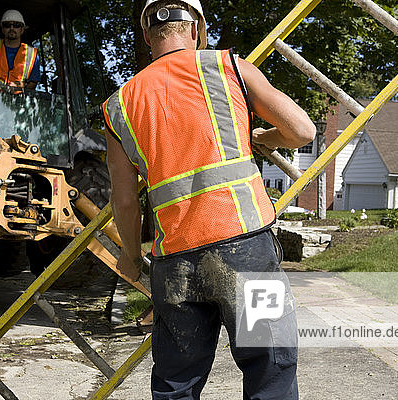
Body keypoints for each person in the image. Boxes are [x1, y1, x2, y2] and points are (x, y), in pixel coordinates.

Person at [103, 0, 315, 398]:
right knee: (270, 368)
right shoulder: (227, 67)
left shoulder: (119, 104)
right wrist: (263, 138)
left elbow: (126, 202)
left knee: (177, 381)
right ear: (197, 27)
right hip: (246, 247)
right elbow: (302, 131)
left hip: (175, 260)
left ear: (147, 35)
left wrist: (131, 257)